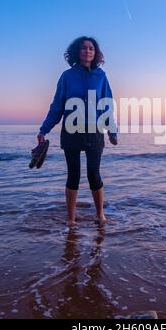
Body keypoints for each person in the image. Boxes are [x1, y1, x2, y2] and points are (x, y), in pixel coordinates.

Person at [37, 36, 118, 228]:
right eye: (84, 48)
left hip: (94, 131)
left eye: (91, 48)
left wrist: (112, 130)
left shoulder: (101, 76)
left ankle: (100, 215)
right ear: (77, 51)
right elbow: (57, 106)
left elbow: (107, 105)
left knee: (93, 174)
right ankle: (71, 219)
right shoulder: (66, 76)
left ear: (95, 53)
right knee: (73, 174)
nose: (88, 51)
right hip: (72, 132)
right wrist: (44, 129)